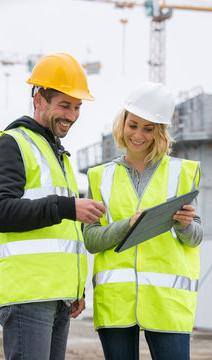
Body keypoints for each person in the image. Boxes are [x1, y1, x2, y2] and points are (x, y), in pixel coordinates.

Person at [0, 53, 106, 360]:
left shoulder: (58, 155)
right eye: (64, 105)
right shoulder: (10, 144)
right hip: (28, 295)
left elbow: (62, 236)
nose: (73, 115)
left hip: (57, 297)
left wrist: (75, 288)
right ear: (38, 100)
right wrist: (67, 207)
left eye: (77, 107)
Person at [83, 82, 203, 360]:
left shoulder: (182, 172)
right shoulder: (99, 176)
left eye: (148, 128)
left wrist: (184, 225)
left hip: (167, 302)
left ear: (160, 131)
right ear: (122, 122)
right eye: (133, 124)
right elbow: (90, 239)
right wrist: (126, 226)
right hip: (116, 300)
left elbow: (196, 235)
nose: (138, 135)